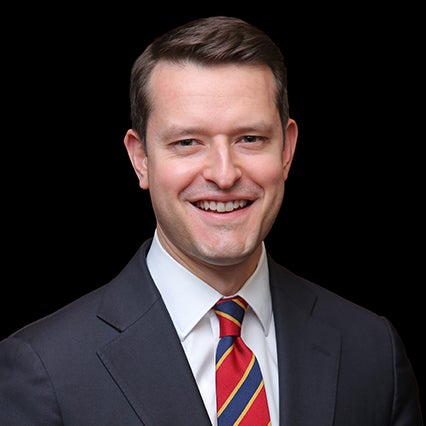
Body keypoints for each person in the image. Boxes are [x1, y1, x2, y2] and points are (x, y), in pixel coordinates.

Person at [0, 16, 423, 426]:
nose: (224, 174)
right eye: (188, 142)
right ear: (140, 159)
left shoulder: (372, 352)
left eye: (250, 139)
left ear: (287, 150)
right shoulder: (45, 371)